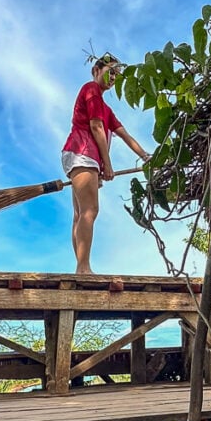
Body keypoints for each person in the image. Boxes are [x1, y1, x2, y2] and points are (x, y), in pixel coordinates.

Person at [61, 53, 149, 274]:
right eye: (111, 72)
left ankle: (81, 266)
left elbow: (126, 136)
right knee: (90, 210)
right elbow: (96, 127)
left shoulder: (105, 108)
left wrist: (147, 157)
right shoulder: (90, 89)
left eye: (117, 75)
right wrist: (106, 165)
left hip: (80, 155)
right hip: (82, 152)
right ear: (96, 70)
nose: (113, 78)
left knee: (80, 213)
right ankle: (83, 267)